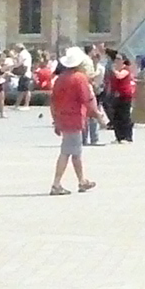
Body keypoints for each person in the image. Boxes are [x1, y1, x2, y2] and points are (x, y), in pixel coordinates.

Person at [48, 46, 97, 195]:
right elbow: (86, 99)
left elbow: (53, 101)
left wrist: (55, 120)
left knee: (75, 152)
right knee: (67, 152)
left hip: (62, 117)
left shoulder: (59, 79)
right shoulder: (79, 78)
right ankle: (56, 184)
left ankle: (82, 181)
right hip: (74, 118)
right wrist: (98, 115)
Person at [105, 50, 136, 143]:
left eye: (119, 59)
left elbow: (119, 76)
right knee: (115, 117)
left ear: (123, 60)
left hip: (125, 96)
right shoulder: (115, 70)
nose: (116, 60)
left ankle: (127, 136)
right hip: (116, 95)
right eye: (116, 59)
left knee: (125, 116)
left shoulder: (126, 69)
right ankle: (119, 137)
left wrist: (113, 69)